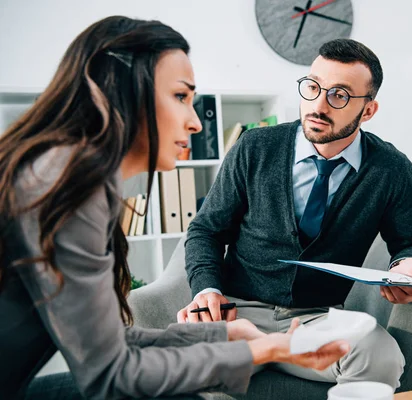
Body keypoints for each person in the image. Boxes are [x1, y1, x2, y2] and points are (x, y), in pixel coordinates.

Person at [0, 16, 349, 400]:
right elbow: (111, 376)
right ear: (123, 90)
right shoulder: (66, 186)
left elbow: (108, 344)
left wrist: (224, 334)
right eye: (181, 97)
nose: (196, 123)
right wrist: (259, 350)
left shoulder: (63, 171)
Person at [178, 38, 412, 391]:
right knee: (178, 360)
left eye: (340, 95)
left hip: (319, 319)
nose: (319, 105)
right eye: (313, 87)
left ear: (368, 111)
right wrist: (207, 289)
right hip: (238, 313)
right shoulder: (254, 147)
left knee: (381, 355)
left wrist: (410, 264)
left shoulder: (392, 170)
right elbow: (206, 230)